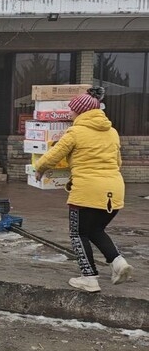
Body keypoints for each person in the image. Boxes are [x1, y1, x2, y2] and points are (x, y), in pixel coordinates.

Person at [33, 88, 134, 292]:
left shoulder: (76, 132)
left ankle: (88, 277)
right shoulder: (112, 132)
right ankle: (118, 262)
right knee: (95, 230)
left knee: (78, 233)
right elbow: (118, 162)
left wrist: (38, 169)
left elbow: (54, 155)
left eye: (72, 111)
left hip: (87, 193)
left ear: (80, 112)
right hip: (114, 191)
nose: (70, 114)